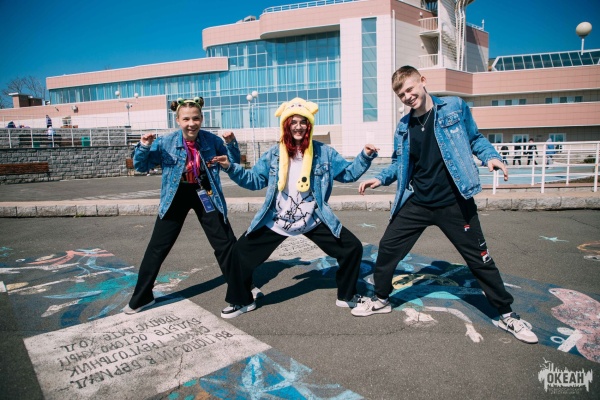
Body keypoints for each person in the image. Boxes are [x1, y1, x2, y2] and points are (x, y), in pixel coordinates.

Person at [352, 66, 538, 344]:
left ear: (423, 81)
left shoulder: (454, 107)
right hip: (418, 201)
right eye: (401, 94)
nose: (407, 96)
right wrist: (380, 178)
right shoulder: (404, 126)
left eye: (410, 89)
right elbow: (399, 163)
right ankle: (381, 299)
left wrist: (491, 157)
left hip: (455, 202)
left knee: (480, 259)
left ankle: (507, 314)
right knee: (388, 248)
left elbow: (475, 138)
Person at [213, 97, 379, 319]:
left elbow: (347, 174)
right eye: (293, 122)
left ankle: (347, 295)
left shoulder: (324, 152)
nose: (298, 127)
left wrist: (365, 156)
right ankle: (242, 300)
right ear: (286, 125)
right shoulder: (274, 154)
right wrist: (229, 167)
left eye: (303, 122)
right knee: (239, 253)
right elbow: (254, 180)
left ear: (309, 125)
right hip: (278, 219)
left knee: (352, 248)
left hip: (313, 218)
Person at [123, 97, 241, 314]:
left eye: (195, 118)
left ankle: (242, 289)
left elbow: (233, 164)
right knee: (157, 247)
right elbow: (141, 166)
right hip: (176, 194)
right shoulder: (165, 142)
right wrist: (144, 146)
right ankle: (142, 297)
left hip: (205, 191)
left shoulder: (212, 141)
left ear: (201, 119)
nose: (191, 124)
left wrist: (231, 143)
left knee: (225, 242)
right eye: (186, 119)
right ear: (177, 120)